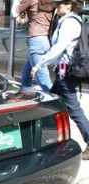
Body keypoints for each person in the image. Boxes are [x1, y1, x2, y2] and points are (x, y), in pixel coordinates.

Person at [31, 0, 89, 160]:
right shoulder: (68, 20)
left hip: (66, 72)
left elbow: (58, 48)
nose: (57, 6)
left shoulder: (69, 23)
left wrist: (39, 64)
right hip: (63, 71)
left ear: (69, 5)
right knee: (51, 105)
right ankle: (52, 139)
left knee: (73, 110)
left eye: (60, 4)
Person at [11, 0, 55, 94]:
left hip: (35, 41)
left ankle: (55, 101)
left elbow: (14, 13)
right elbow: (28, 19)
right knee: (26, 72)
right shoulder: (48, 2)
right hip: (45, 41)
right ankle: (26, 92)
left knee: (42, 76)